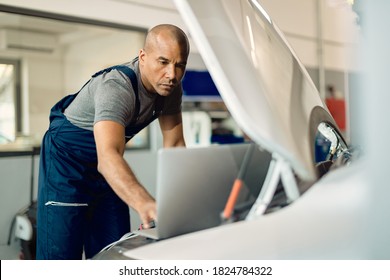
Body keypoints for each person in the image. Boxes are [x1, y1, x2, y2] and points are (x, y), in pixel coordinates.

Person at [36, 24, 190, 259]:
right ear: (143, 56)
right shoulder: (117, 87)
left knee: (114, 251)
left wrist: (182, 205)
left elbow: (176, 147)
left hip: (106, 169)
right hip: (66, 166)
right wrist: (146, 203)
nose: (172, 74)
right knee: (62, 257)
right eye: (163, 62)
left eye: (180, 65)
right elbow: (108, 158)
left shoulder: (170, 89)